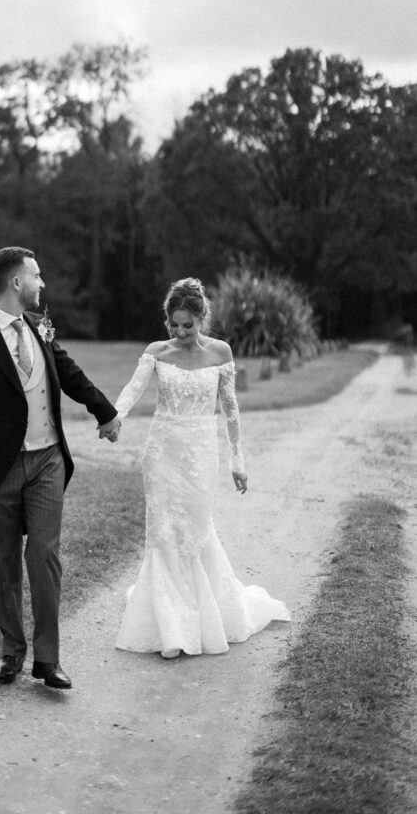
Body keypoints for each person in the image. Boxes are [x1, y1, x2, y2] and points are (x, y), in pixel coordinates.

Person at [0, 246, 121, 690]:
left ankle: (48, 660)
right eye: (36, 276)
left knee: (44, 555)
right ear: (16, 282)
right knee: (4, 562)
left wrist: (105, 411)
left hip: (47, 459)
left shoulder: (40, 325)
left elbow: (68, 373)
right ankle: (12, 652)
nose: (42, 284)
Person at [113, 277, 290, 659]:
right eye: (173, 325)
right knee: (163, 533)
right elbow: (132, 389)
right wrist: (115, 417)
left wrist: (237, 460)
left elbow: (230, 409)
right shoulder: (157, 352)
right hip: (162, 451)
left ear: (201, 318)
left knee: (194, 529)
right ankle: (171, 626)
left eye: (187, 325)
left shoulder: (220, 353)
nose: (180, 332)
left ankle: (202, 614)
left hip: (200, 452)